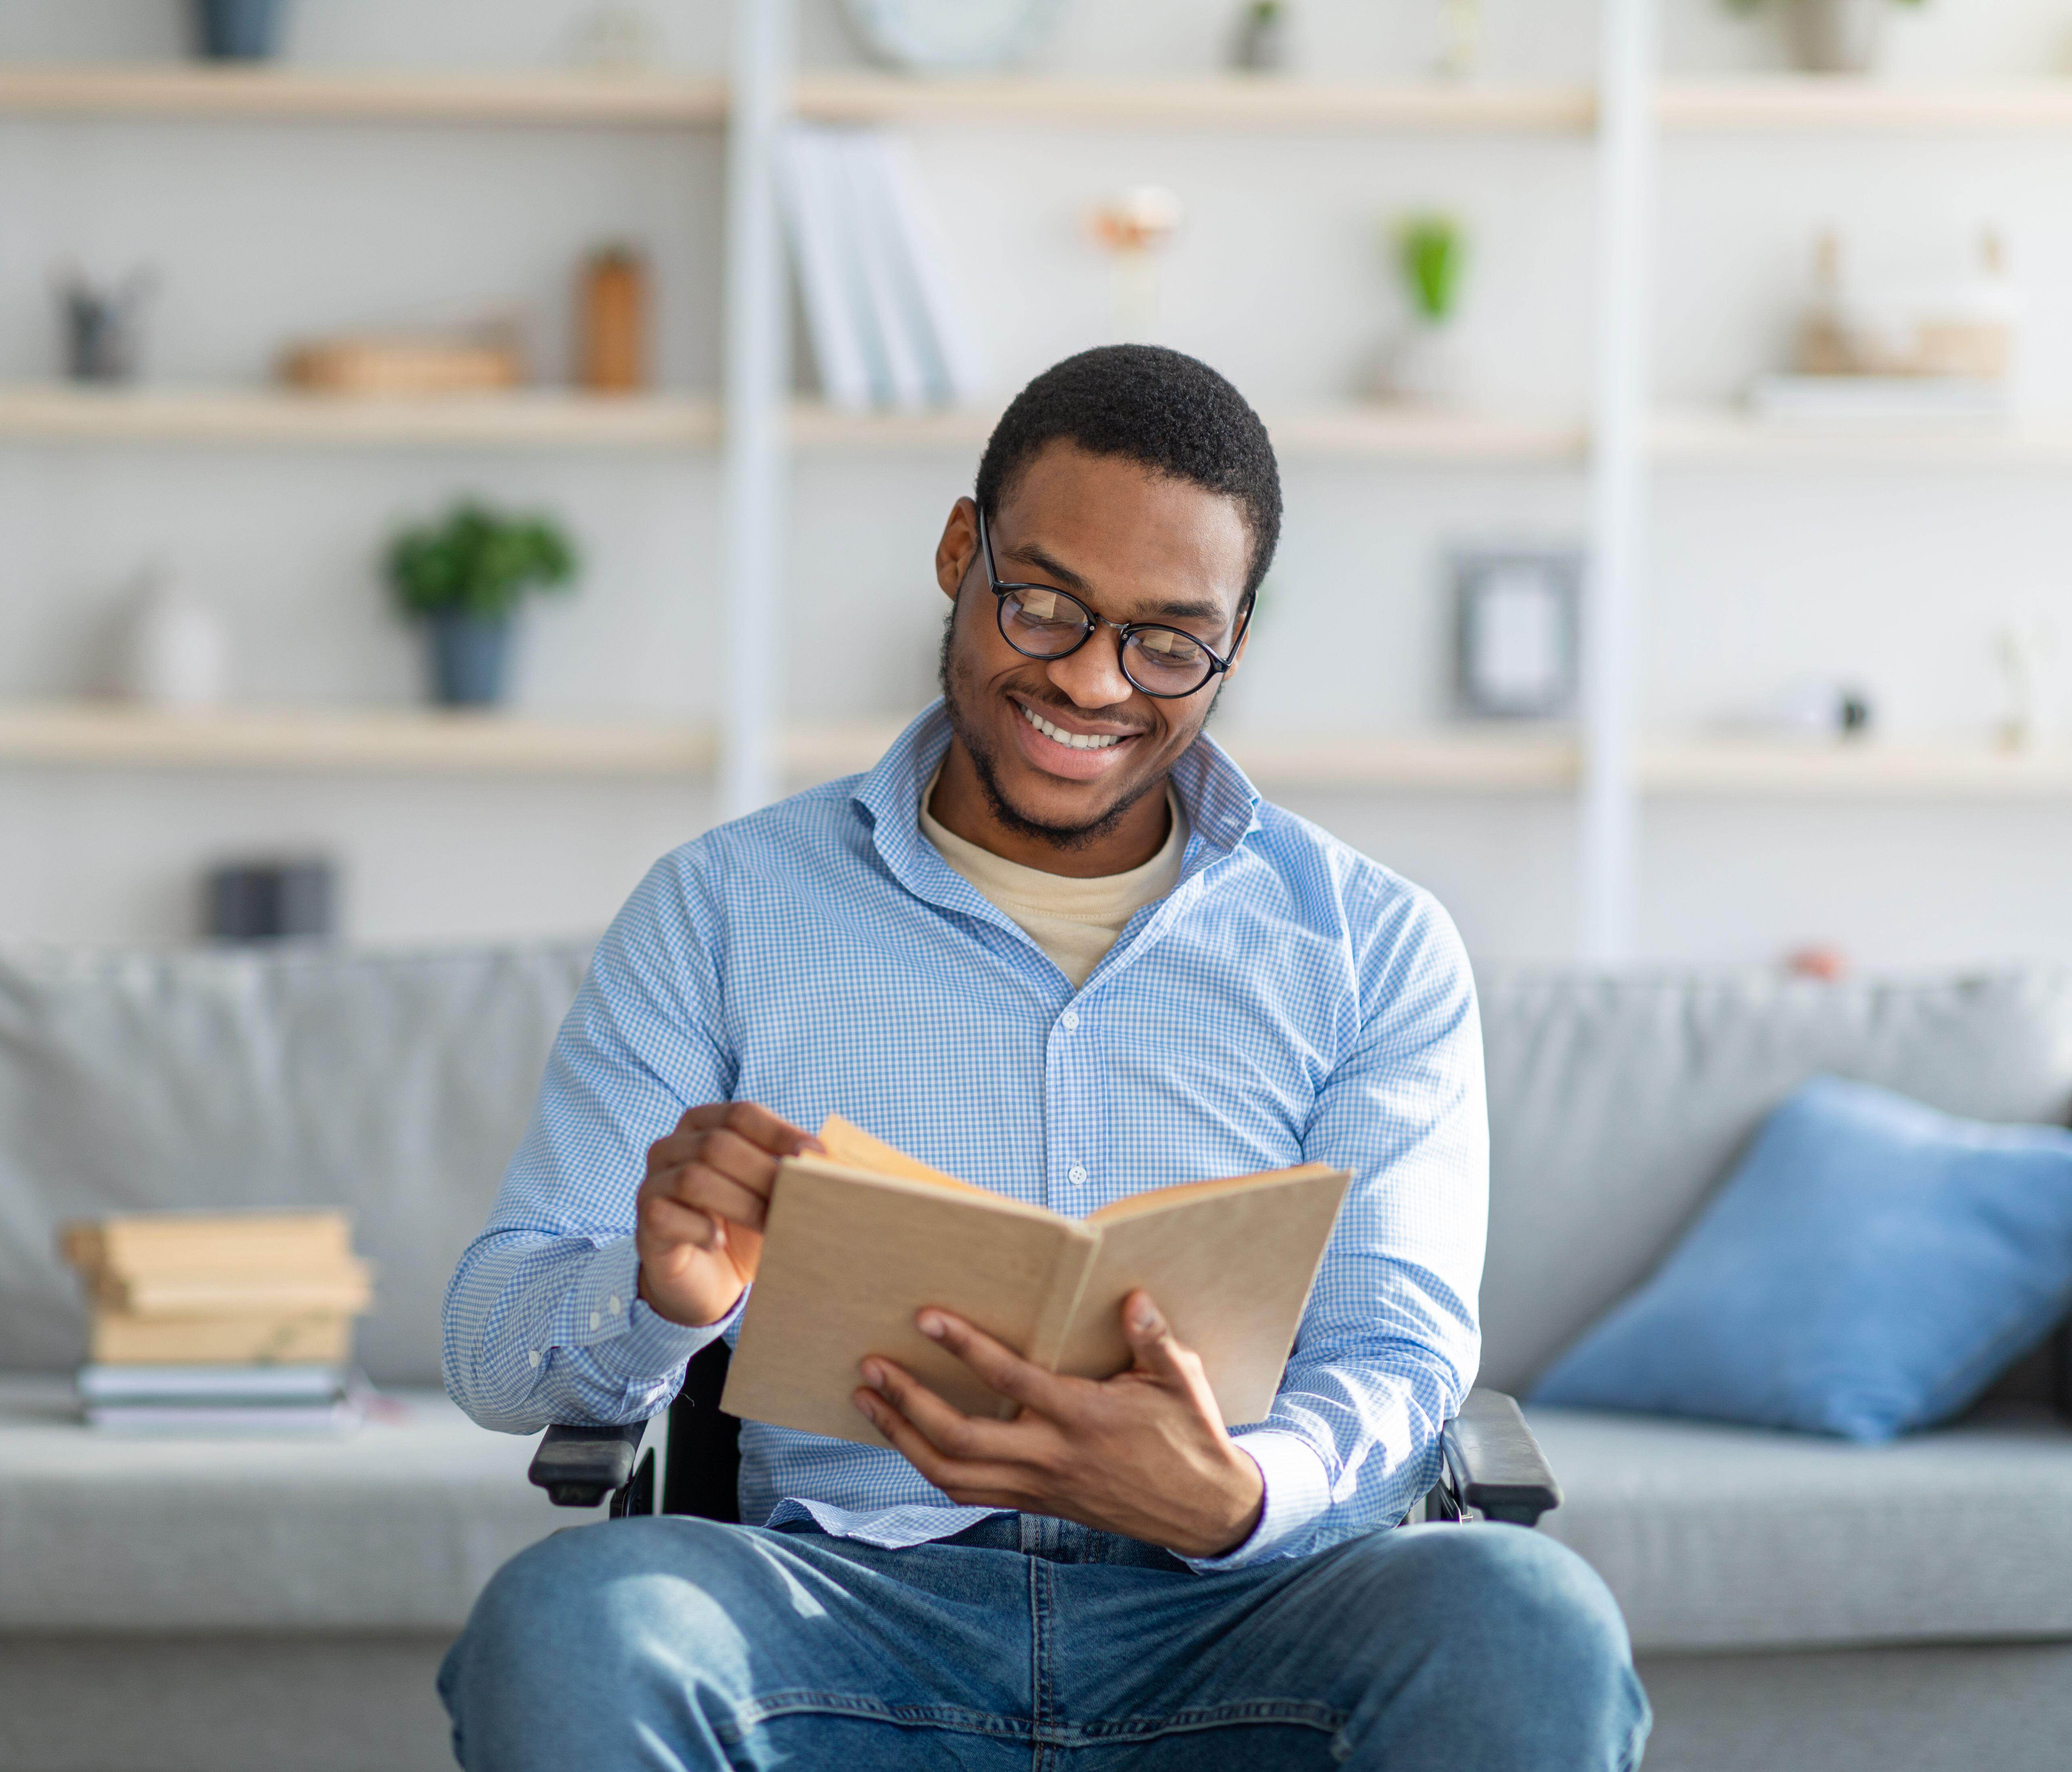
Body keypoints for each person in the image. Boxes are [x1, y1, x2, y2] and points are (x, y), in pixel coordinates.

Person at [437, 345, 1648, 1771]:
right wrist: (656, 1300)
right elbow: (492, 1340)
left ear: (1235, 642)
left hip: (1240, 1619)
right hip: (846, 1611)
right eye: (1045, 603)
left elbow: (1401, 1351)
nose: (1091, 680)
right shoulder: (722, 910)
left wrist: (1241, 1494)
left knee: (1530, 1620)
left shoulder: (1373, 946)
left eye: (1167, 642)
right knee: (565, 1623)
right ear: (961, 550)